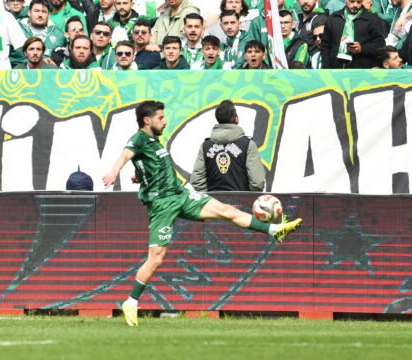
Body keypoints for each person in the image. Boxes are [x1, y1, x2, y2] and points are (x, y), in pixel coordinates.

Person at [101, 101, 302, 327]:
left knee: (225, 210)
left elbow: (145, 162)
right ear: (147, 121)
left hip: (180, 194)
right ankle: (131, 301)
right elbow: (126, 155)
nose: (165, 121)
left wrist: (140, 175)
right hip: (162, 205)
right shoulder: (137, 139)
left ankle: (275, 230)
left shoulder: (152, 141)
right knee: (155, 259)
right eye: (160, 118)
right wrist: (114, 171)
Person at [190, 100, 267, 192]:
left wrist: (209, 198)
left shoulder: (205, 146)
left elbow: (197, 180)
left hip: (214, 204)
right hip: (241, 204)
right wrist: (248, 198)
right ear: (236, 119)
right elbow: (257, 182)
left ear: (218, 119)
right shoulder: (248, 145)